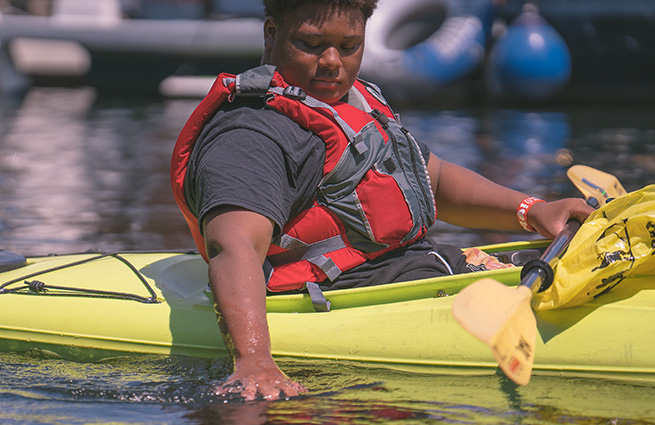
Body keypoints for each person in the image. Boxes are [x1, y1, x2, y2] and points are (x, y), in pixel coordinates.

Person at [171, 0, 593, 401]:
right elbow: (235, 247)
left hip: (417, 274)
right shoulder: (251, 135)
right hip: (354, 299)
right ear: (272, 33)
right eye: (312, 45)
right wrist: (255, 361)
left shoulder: (355, 101)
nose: (333, 61)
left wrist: (533, 210)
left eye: (350, 46)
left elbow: (436, 180)